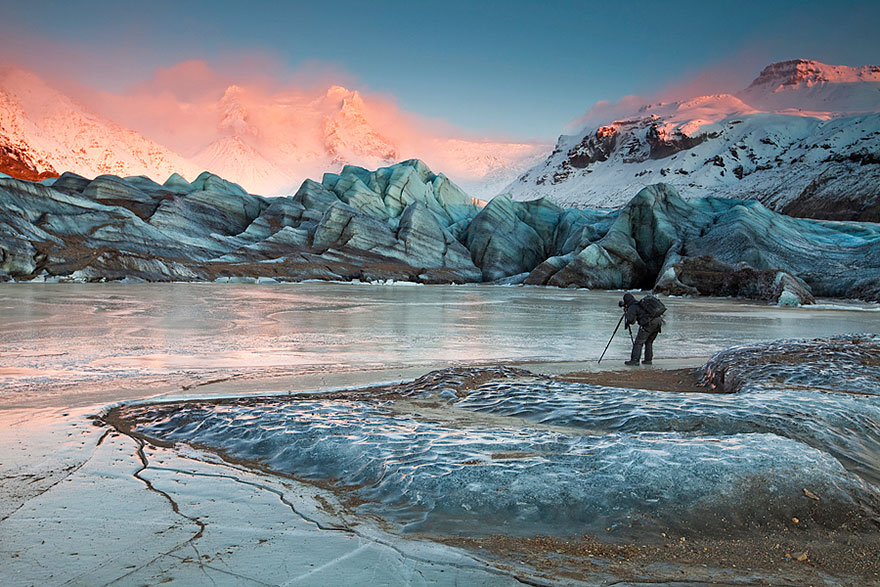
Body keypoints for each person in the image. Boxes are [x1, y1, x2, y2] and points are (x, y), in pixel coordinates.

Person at [620, 292, 665, 366]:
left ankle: (634, 361)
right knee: (649, 341)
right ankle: (648, 360)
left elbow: (631, 321)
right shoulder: (640, 304)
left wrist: (627, 313)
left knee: (638, 342)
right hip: (658, 322)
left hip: (649, 324)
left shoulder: (633, 307)